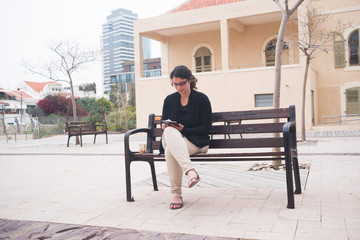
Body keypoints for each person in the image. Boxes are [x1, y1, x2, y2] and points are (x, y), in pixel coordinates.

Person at [161, 65, 212, 210]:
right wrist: (166, 127)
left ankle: (176, 195)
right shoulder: (169, 100)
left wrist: (185, 129)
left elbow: (205, 128)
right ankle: (190, 171)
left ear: (190, 80)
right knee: (169, 132)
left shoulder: (202, 99)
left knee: (171, 151)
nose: (178, 87)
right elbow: (164, 124)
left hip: (196, 142)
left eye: (181, 83)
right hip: (173, 139)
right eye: (175, 84)